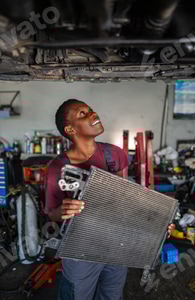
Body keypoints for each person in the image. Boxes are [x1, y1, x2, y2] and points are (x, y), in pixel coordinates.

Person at [45, 99, 175, 300]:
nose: (93, 114)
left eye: (91, 110)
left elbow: (127, 199)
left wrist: (157, 222)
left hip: (116, 244)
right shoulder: (57, 167)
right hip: (80, 250)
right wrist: (62, 211)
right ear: (70, 129)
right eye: (82, 114)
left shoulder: (115, 154)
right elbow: (50, 211)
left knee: (112, 296)